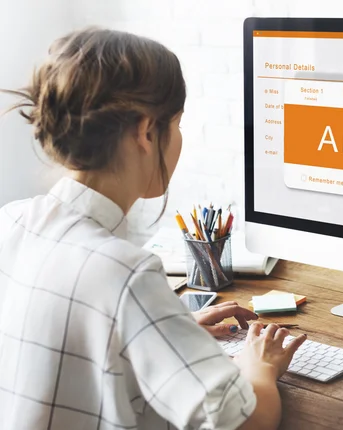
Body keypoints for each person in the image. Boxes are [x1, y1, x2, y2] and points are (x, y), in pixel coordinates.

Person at [0, 27, 306, 430]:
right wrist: (259, 366)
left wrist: (164, 329)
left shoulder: (11, 221)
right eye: (176, 124)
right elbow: (246, 421)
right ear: (146, 132)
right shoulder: (126, 273)